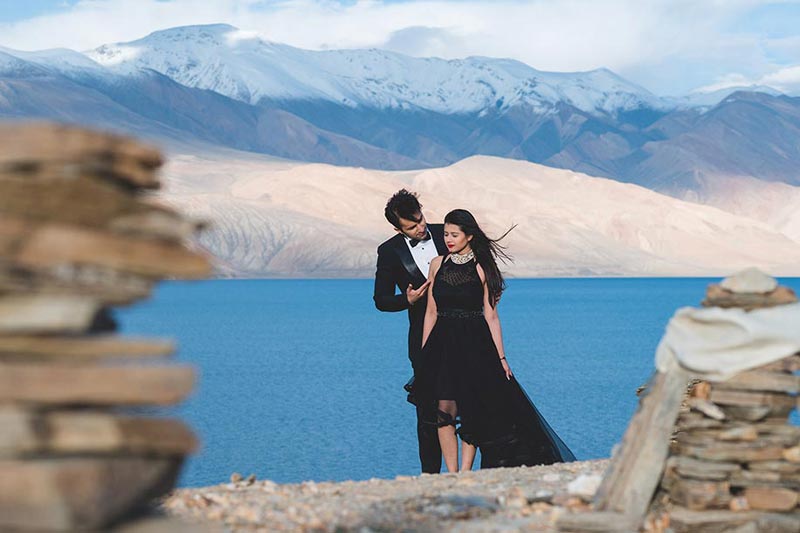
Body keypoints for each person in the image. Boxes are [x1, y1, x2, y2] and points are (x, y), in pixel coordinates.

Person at [414, 209, 575, 472]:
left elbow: (491, 315)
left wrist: (501, 357)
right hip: (442, 345)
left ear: (469, 235)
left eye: (454, 235)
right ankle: (451, 474)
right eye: (445, 234)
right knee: (444, 410)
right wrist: (425, 354)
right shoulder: (437, 264)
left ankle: (465, 472)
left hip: (475, 345)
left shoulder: (482, 267)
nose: (448, 240)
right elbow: (430, 312)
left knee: (471, 409)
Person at [373, 189, 447, 474]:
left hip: (465, 330)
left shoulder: (447, 233)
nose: (420, 228)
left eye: (421, 219)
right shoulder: (389, 251)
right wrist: (407, 300)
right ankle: (430, 476)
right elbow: (381, 300)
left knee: (473, 401)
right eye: (411, 226)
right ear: (397, 228)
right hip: (422, 340)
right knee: (428, 412)